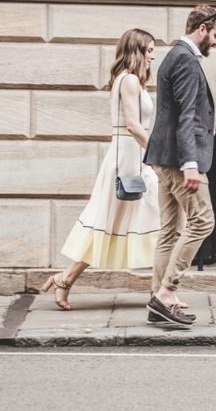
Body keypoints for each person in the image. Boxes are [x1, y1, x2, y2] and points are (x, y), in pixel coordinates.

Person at [41, 28, 161, 310]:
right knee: (118, 222)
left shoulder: (128, 80)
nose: (153, 56)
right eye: (150, 50)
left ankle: (66, 279)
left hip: (132, 157)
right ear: (137, 50)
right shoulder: (129, 80)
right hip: (129, 160)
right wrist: (156, 152)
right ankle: (163, 291)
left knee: (119, 223)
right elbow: (132, 125)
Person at [144, 4, 216, 326]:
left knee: (170, 230)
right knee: (203, 221)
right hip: (180, 160)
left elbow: (177, 113)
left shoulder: (173, 56)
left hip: (163, 157)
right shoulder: (187, 61)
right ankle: (167, 292)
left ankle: (157, 299)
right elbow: (187, 116)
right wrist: (191, 164)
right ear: (202, 29)